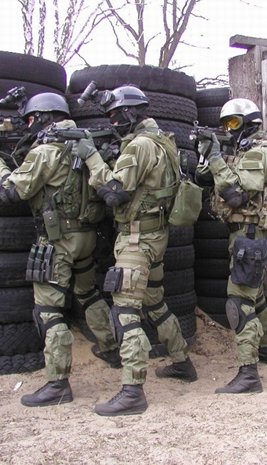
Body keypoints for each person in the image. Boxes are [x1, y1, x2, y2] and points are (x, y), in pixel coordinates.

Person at [0, 92, 120, 407]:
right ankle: (112, 349)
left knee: (48, 310)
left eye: (31, 119)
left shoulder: (45, 152)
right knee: (88, 294)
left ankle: (58, 383)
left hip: (57, 241)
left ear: (45, 117)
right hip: (87, 237)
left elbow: (12, 192)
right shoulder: (87, 144)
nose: (29, 125)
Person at [74, 84, 197, 417]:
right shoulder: (162, 140)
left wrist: (91, 156)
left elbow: (115, 193)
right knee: (154, 302)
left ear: (132, 112)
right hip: (155, 235)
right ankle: (182, 363)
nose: (113, 122)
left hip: (136, 240)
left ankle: (133, 391)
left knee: (125, 311)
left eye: (117, 115)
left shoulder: (140, 145)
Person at [195, 98, 267, 394]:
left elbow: (235, 195)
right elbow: (204, 178)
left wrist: (215, 156)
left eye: (233, 123)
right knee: (255, 296)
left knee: (238, 302)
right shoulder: (243, 153)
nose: (229, 130)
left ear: (250, 123)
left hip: (251, 234)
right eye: (225, 125)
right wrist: (207, 156)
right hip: (245, 235)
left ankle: (249, 373)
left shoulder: (259, 153)